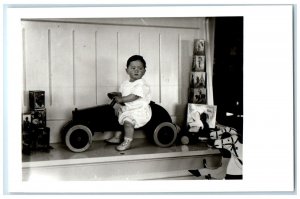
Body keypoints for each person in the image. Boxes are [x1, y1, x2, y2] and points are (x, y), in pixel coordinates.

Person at [106, 55, 152, 151]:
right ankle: (117, 136)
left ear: (144, 71)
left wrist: (122, 99)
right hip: (128, 109)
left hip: (138, 111)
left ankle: (127, 142)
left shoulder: (142, 84)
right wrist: (118, 95)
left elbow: (134, 96)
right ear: (127, 70)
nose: (136, 70)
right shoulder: (125, 83)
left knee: (127, 123)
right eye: (133, 68)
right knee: (117, 116)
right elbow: (124, 94)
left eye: (140, 68)